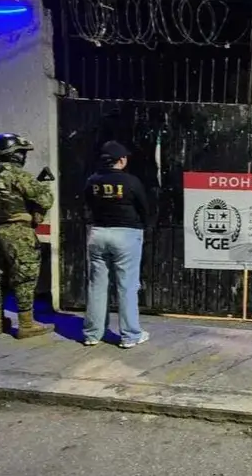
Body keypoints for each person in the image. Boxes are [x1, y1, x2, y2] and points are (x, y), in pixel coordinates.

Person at [0, 133, 54, 338]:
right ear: (14, 154)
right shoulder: (19, 175)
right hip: (19, 233)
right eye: (22, 152)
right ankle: (26, 324)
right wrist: (42, 187)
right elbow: (46, 200)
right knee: (25, 278)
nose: (24, 156)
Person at [82, 140, 150, 349]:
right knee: (127, 286)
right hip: (126, 234)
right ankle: (130, 335)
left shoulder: (92, 180)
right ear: (121, 160)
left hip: (98, 233)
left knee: (97, 286)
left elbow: (86, 205)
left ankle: (92, 334)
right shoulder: (131, 181)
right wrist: (145, 226)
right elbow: (144, 207)